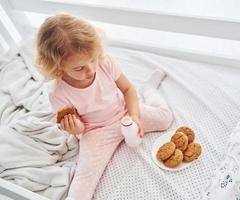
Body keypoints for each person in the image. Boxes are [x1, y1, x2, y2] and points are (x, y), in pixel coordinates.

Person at [35, 13, 173, 200]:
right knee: (83, 181)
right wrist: (76, 128)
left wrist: (135, 116)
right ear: (58, 67)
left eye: (92, 59)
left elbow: (128, 89)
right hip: (95, 131)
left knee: (165, 118)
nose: (91, 70)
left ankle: (149, 90)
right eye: (79, 68)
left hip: (125, 113)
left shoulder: (104, 62)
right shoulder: (58, 94)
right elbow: (78, 128)